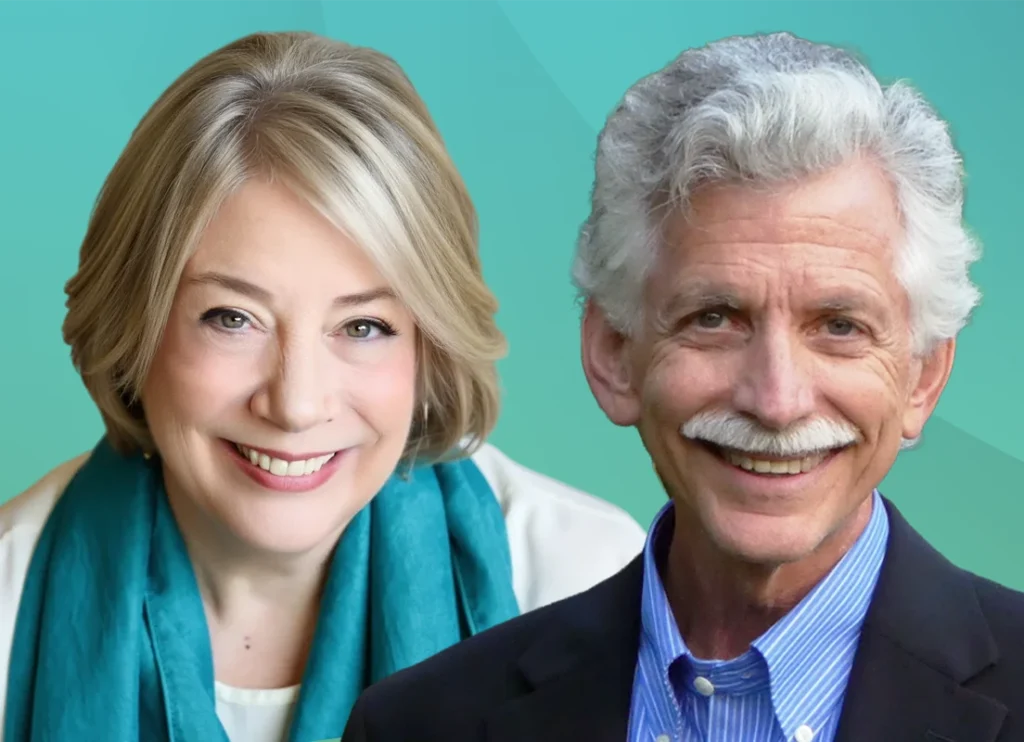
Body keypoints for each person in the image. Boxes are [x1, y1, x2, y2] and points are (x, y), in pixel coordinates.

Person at [339, 31, 1024, 742]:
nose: (777, 401)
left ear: (922, 376)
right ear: (613, 354)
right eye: (715, 319)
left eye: (840, 326)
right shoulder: (419, 726)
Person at [0, 31, 646, 742]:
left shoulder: (589, 582)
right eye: (232, 318)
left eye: (363, 326)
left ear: (428, 344)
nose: (296, 404)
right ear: (137, 326)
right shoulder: (10, 590)